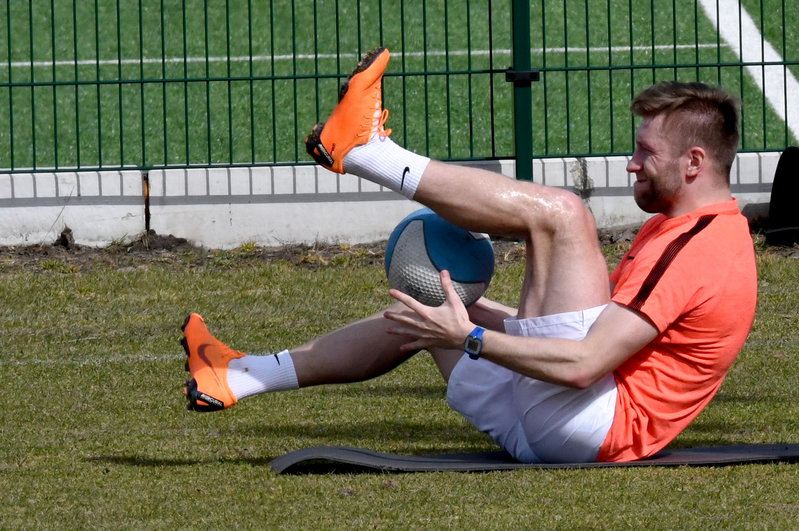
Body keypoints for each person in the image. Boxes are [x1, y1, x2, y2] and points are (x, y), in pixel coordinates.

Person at [181, 47, 757, 463]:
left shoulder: (696, 247)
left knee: (561, 215)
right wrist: (463, 317)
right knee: (435, 301)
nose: (632, 163)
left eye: (646, 152)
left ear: (693, 163)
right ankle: (240, 374)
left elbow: (582, 365)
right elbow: (590, 342)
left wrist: (472, 339)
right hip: (557, 426)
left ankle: (368, 152)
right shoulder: (684, 231)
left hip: (587, 424)